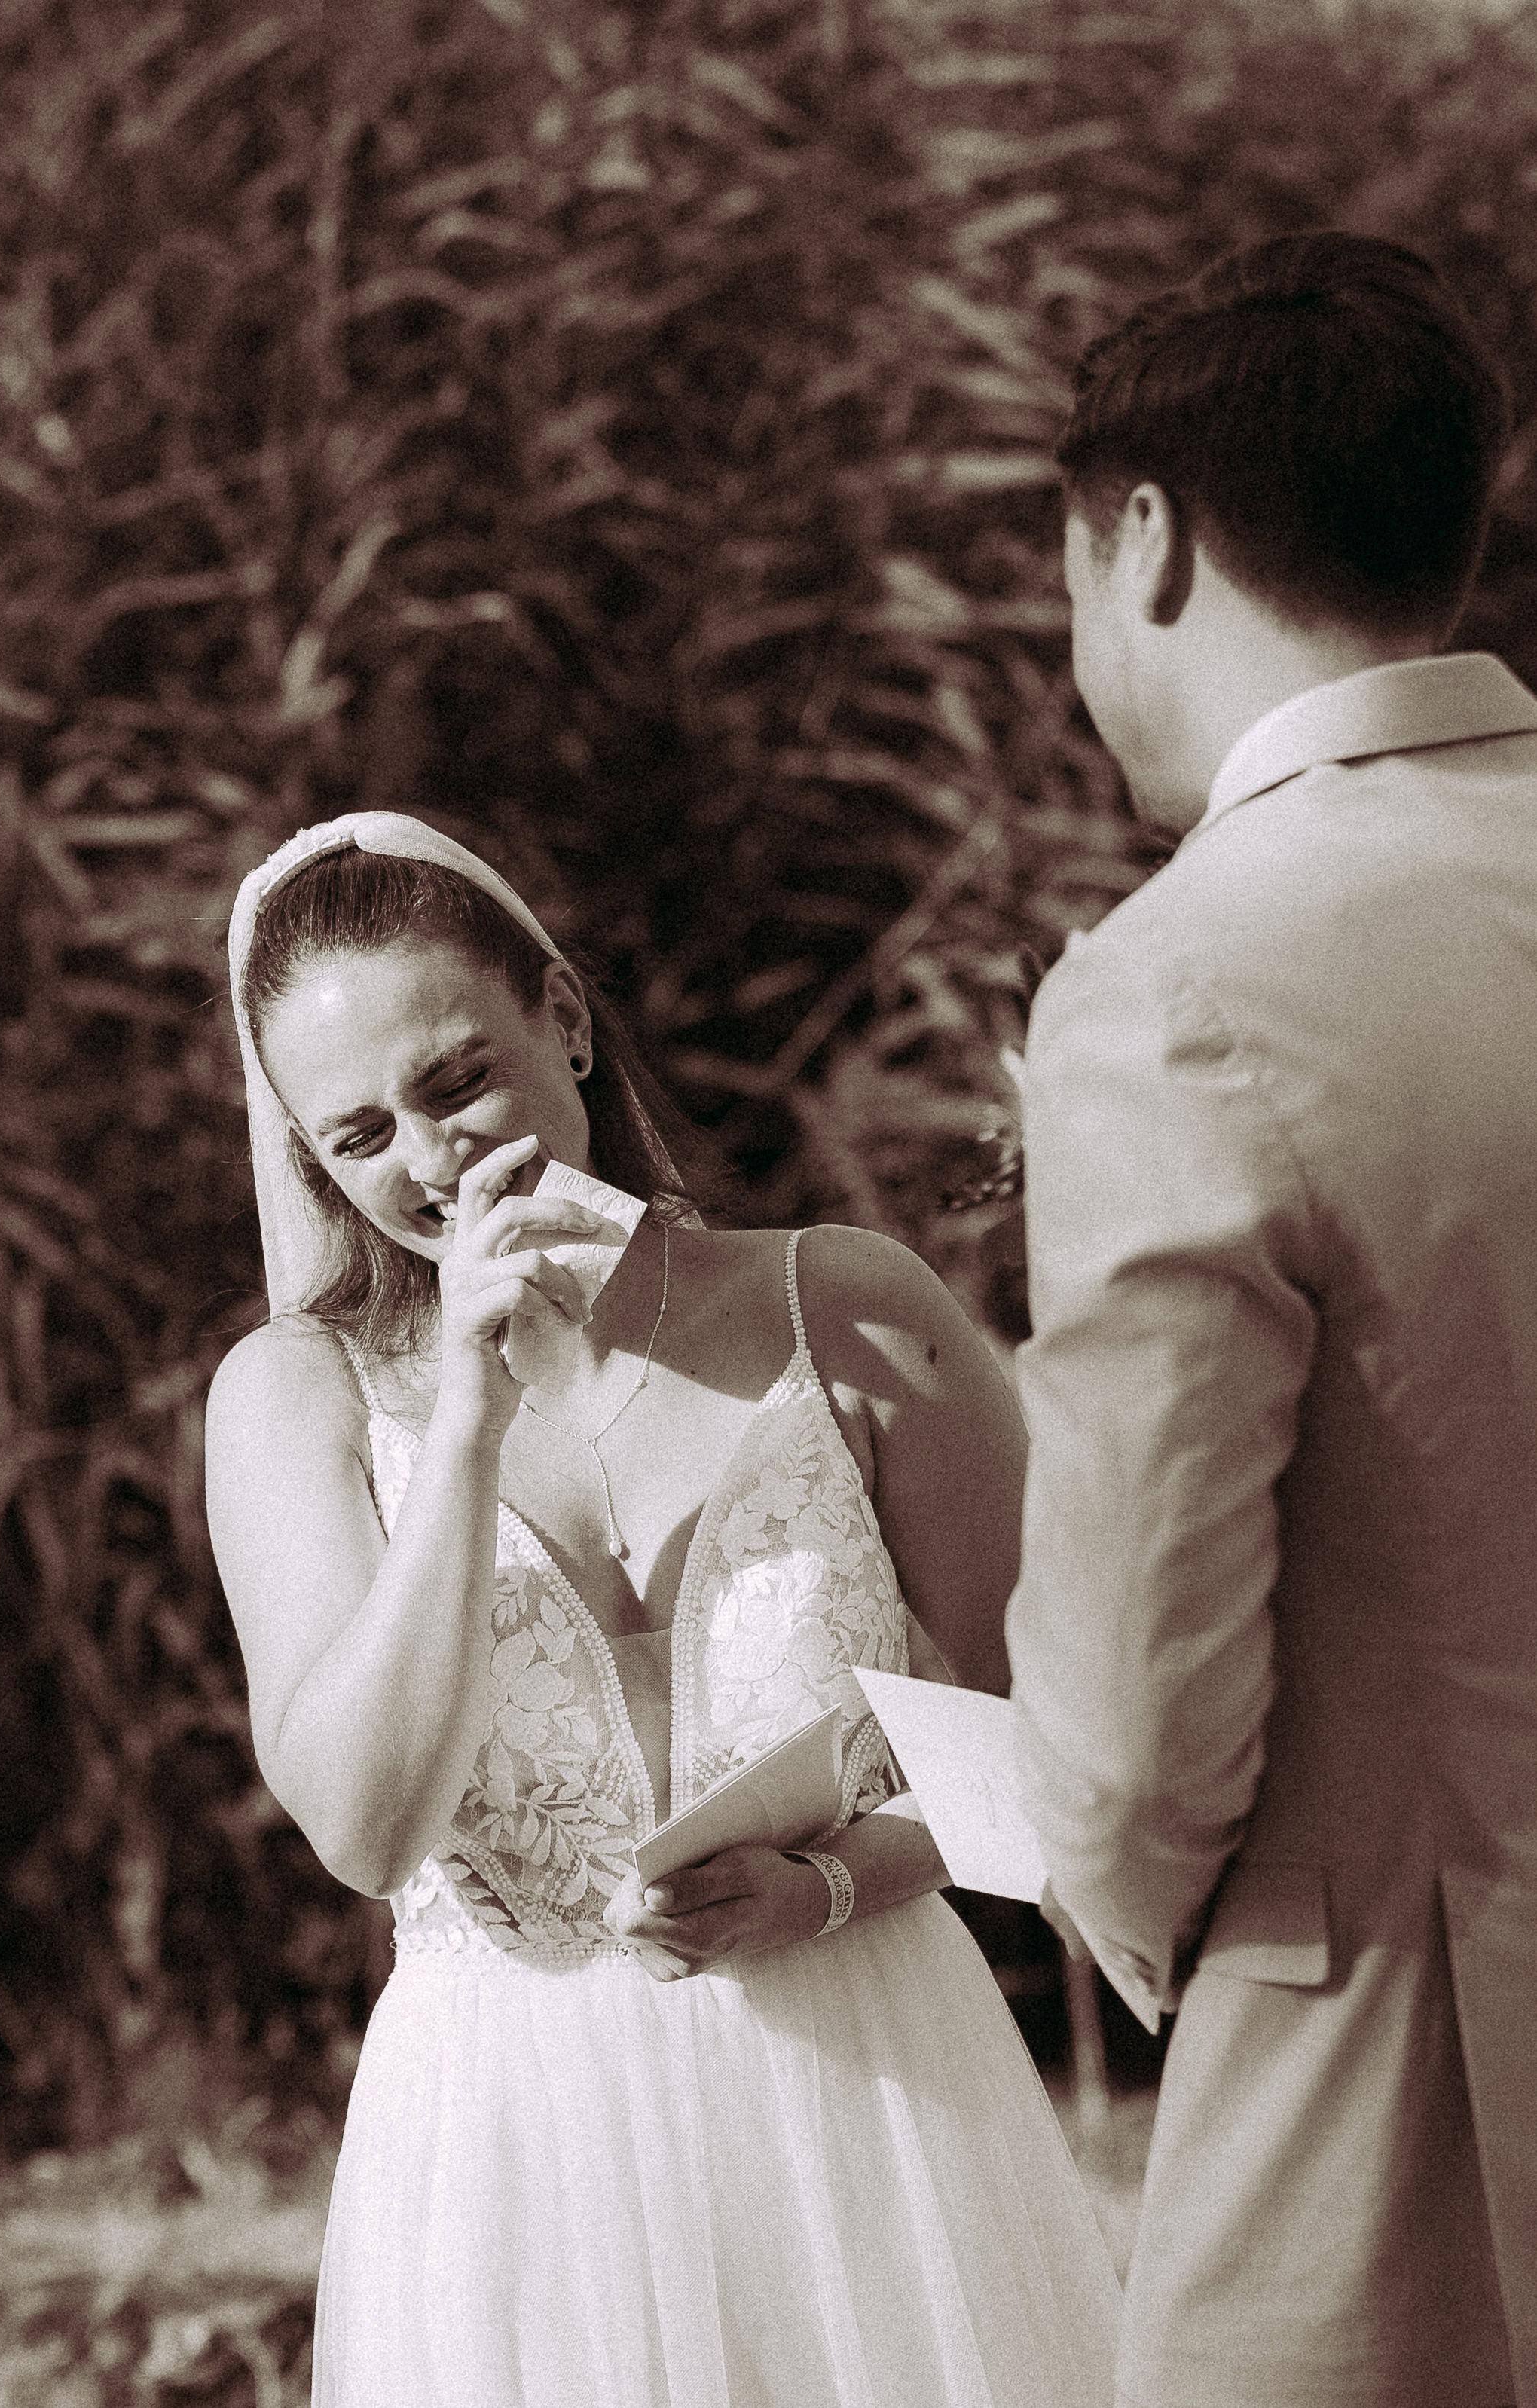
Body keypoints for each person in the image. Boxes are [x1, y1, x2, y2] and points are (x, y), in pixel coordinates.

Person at [206, 809, 1120, 2408]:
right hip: (514, 2141)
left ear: (563, 1015)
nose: (425, 1161)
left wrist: (828, 1887)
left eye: (454, 1079)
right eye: (355, 1136)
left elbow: (1062, 1755)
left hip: (879, 2103)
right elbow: (362, 1825)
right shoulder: (294, 1401)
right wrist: (468, 1421)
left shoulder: (848, 1308)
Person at [1006, 230, 1537, 2408]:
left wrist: (1118, 1902)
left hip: (1390, 2079)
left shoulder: (1178, 980)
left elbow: (1138, 1709)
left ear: (1140, 542)